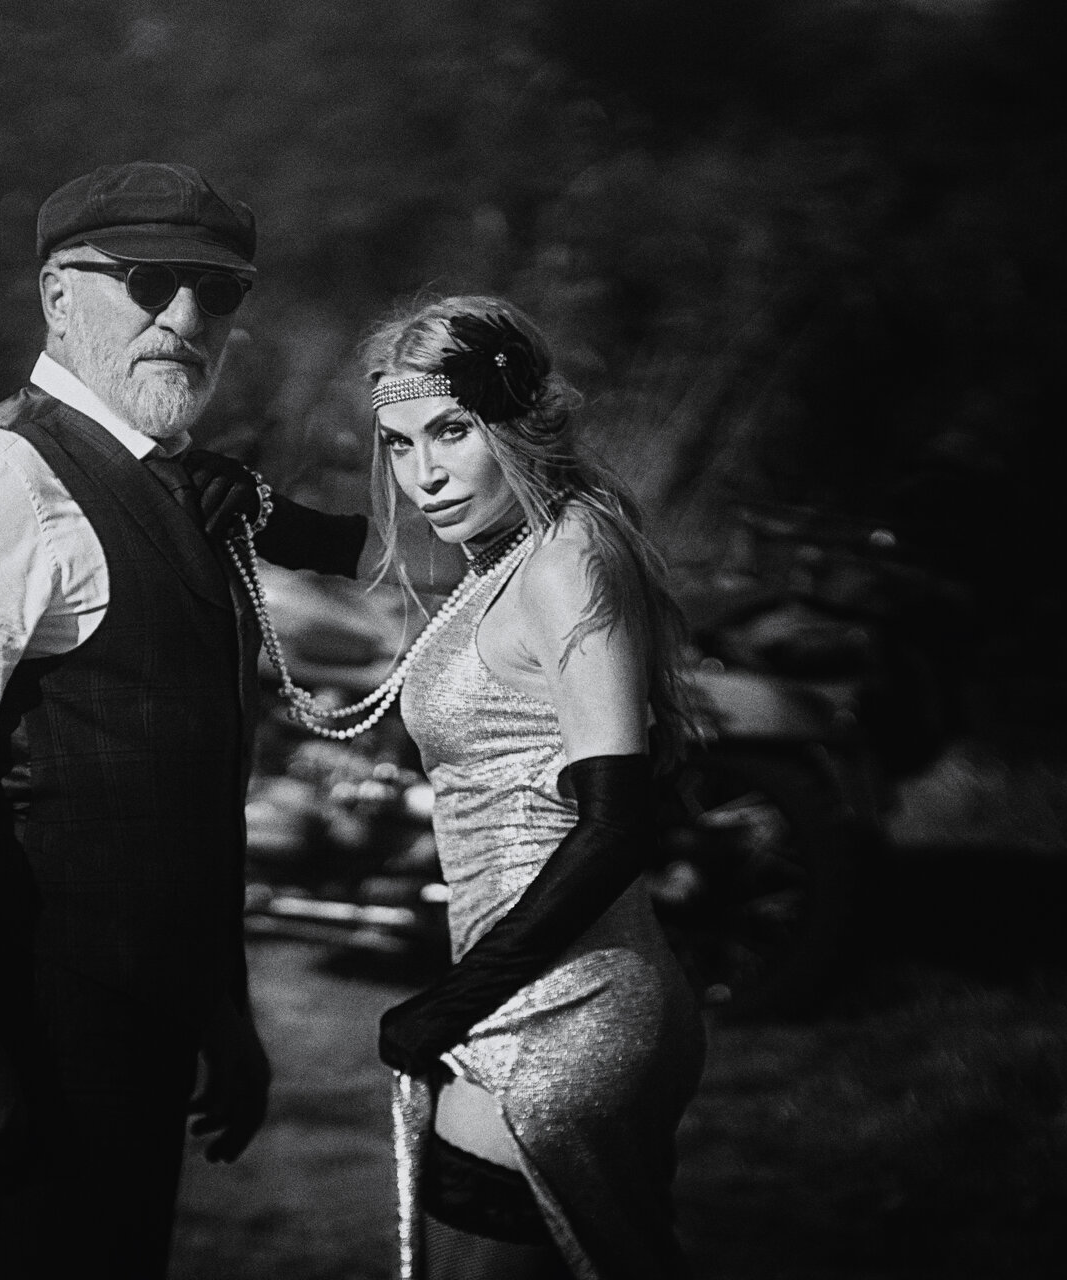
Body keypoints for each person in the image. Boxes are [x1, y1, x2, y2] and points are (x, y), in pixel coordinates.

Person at [0, 161, 366, 1279]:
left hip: (143, 1034)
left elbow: (181, 793)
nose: (187, 319)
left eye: (219, 292)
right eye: (149, 282)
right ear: (59, 296)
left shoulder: (181, 482)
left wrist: (220, 1009)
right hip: (31, 1038)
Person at [358, 296, 706, 1279]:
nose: (422, 474)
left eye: (450, 430)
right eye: (398, 443)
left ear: (514, 421)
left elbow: (617, 825)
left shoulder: (565, 557)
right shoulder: (517, 552)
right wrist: (266, 517)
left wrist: (451, 1002)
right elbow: (395, 566)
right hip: (553, 997)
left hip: (558, 1016)